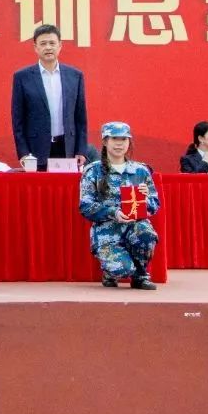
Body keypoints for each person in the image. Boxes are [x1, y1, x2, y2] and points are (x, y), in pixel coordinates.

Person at [79, 122, 160, 289]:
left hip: (135, 226)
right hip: (107, 231)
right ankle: (110, 274)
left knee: (147, 233)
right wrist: (113, 213)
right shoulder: (93, 171)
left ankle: (140, 275)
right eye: (114, 139)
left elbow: (154, 204)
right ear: (105, 141)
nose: (119, 144)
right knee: (122, 269)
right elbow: (86, 206)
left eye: (124, 139)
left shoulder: (141, 171)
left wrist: (145, 199)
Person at [10, 24, 89, 171]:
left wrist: (81, 150)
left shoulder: (75, 76)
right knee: (39, 186)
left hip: (67, 148)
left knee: (65, 186)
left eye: (52, 43)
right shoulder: (22, 77)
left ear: (60, 45)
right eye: (43, 43)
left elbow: (80, 118)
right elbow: (18, 120)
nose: (48, 47)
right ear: (35, 47)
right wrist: (23, 152)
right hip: (36, 150)